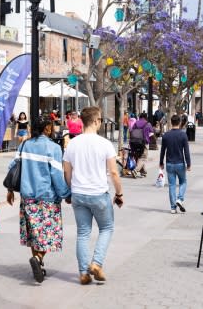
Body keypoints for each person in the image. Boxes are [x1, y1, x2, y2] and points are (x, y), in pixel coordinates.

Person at [6, 116, 71, 283]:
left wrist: (10, 190)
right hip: (47, 197)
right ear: (47, 129)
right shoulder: (53, 148)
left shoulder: (24, 145)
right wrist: (66, 194)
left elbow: (13, 168)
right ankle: (39, 259)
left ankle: (38, 265)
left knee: (34, 233)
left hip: (27, 197)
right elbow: (56, 175)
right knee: (48, 234)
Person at [63, 106, 123, 285]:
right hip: (98, 193)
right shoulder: (104, 143)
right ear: (96, 121)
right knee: (106, 229)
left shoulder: (72, 143)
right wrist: (119, 193)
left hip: (78, 194)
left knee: (83, 233)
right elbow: (113, 172)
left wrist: (71, 188)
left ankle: (83, 272)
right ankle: (96, 263)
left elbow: (66, 171)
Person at [159, 114, 191, 214]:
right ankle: (180, 199)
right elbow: (186, 151)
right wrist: (189, 163)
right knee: (183, 182)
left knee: (172, 185)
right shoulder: (183, 135)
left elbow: (162, 150)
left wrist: (161, 162)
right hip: (180, 163)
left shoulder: (166, 135)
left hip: (169, 163)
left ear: (171, 122)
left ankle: (173, 208)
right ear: (180, 122)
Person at [129, 112, 153, 177]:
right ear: (146, 117)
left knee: (139, 157)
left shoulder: (136, 123)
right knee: (143, 157)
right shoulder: (148, 124)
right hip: (144, 142)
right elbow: (152, 133)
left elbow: (131, 131)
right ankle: (135, 170)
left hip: (134, 142)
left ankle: (143, 172)